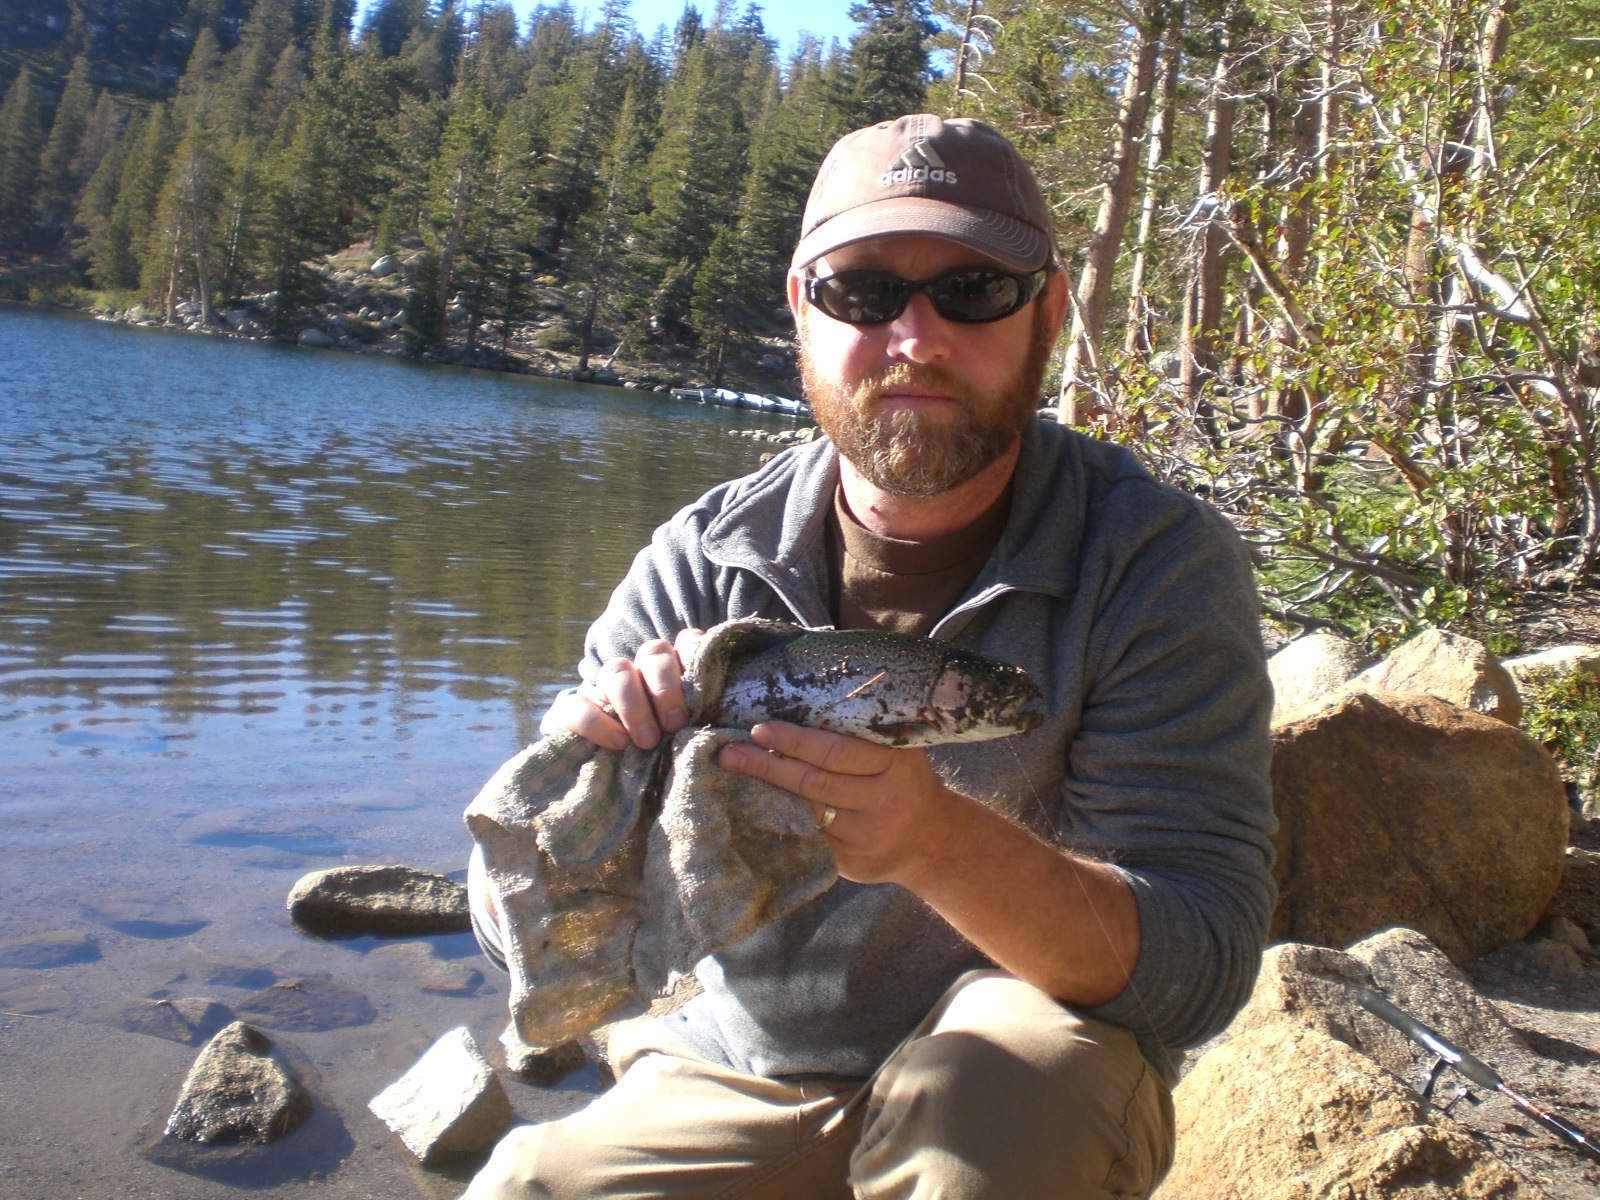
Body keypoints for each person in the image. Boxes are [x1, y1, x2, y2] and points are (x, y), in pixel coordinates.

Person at [465, 113, 1276, 1200]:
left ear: (1049, 312)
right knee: (527, 1182)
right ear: (802, 307)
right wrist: (580, 783)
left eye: (974, 291)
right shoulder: (701, 560)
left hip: (1020, 1051)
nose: (917, 338)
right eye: (863, 292)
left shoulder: (1154, 565)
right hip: (742, 1060)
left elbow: (1202, 967)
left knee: (979, 1141)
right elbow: (508, 916)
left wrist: (936, 843)